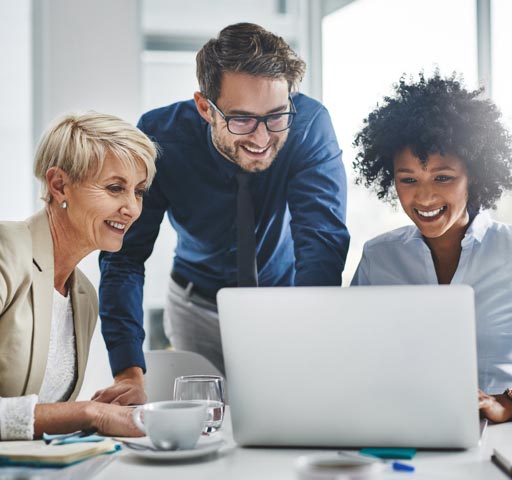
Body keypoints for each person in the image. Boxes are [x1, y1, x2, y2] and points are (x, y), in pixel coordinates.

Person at [98, 22, 350, 385]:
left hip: (286, 303)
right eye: (243, 119)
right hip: (195, 306)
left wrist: (308, 337)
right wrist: (126, 368)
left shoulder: (308, 125)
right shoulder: (159, 138)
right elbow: (124, 255)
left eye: (276, 115)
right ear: (205, 107)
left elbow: (321, 240)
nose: (262, 137)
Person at [351, 72, 512, 423]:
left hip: (497, 438)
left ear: (476, 175)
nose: (423, 197)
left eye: (443, 177)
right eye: (408, 179)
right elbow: (351, 355)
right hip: (402, 428)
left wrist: (508, 403)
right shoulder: (379, 258)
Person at [0, 111, 157, 439]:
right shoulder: (6, 252)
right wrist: (89, 412)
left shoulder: (83, 295)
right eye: (115, 188)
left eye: (138, 191)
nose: (132, 208)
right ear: (59, 185)